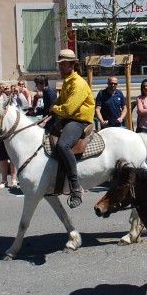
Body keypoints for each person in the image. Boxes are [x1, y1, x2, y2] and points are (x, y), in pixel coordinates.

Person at [51, 49, 95, 209]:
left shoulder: (78, 83)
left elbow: (69, 109)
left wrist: (54, 108)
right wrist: (52, 108)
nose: (60, 67)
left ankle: (76, 188)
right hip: (67, 118)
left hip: (78, 120)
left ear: (72, 65)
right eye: (60, 64)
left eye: (63, 64)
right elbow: (61, 99)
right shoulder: (67, 81)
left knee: (63, 145)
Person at [0, 84, 18, 190]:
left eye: (8, 89)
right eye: (5, 89)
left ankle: (14, 180)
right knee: (3, 158)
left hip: (10, 131)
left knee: (12, 158)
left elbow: (17, 108)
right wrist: (0, 98)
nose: (8, 91)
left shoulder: (12, 99)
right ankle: (4, 180)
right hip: (1, 132)